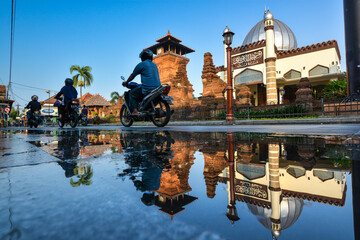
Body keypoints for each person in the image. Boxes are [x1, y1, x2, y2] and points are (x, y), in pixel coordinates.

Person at [122, 49, 161, 116]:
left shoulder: (141, 64)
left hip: (148, 88)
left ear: (143, 57)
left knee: (132, 93)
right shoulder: (155, 65)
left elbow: (132, 75)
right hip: (158, 87)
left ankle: (135, 111)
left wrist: (126, 82)